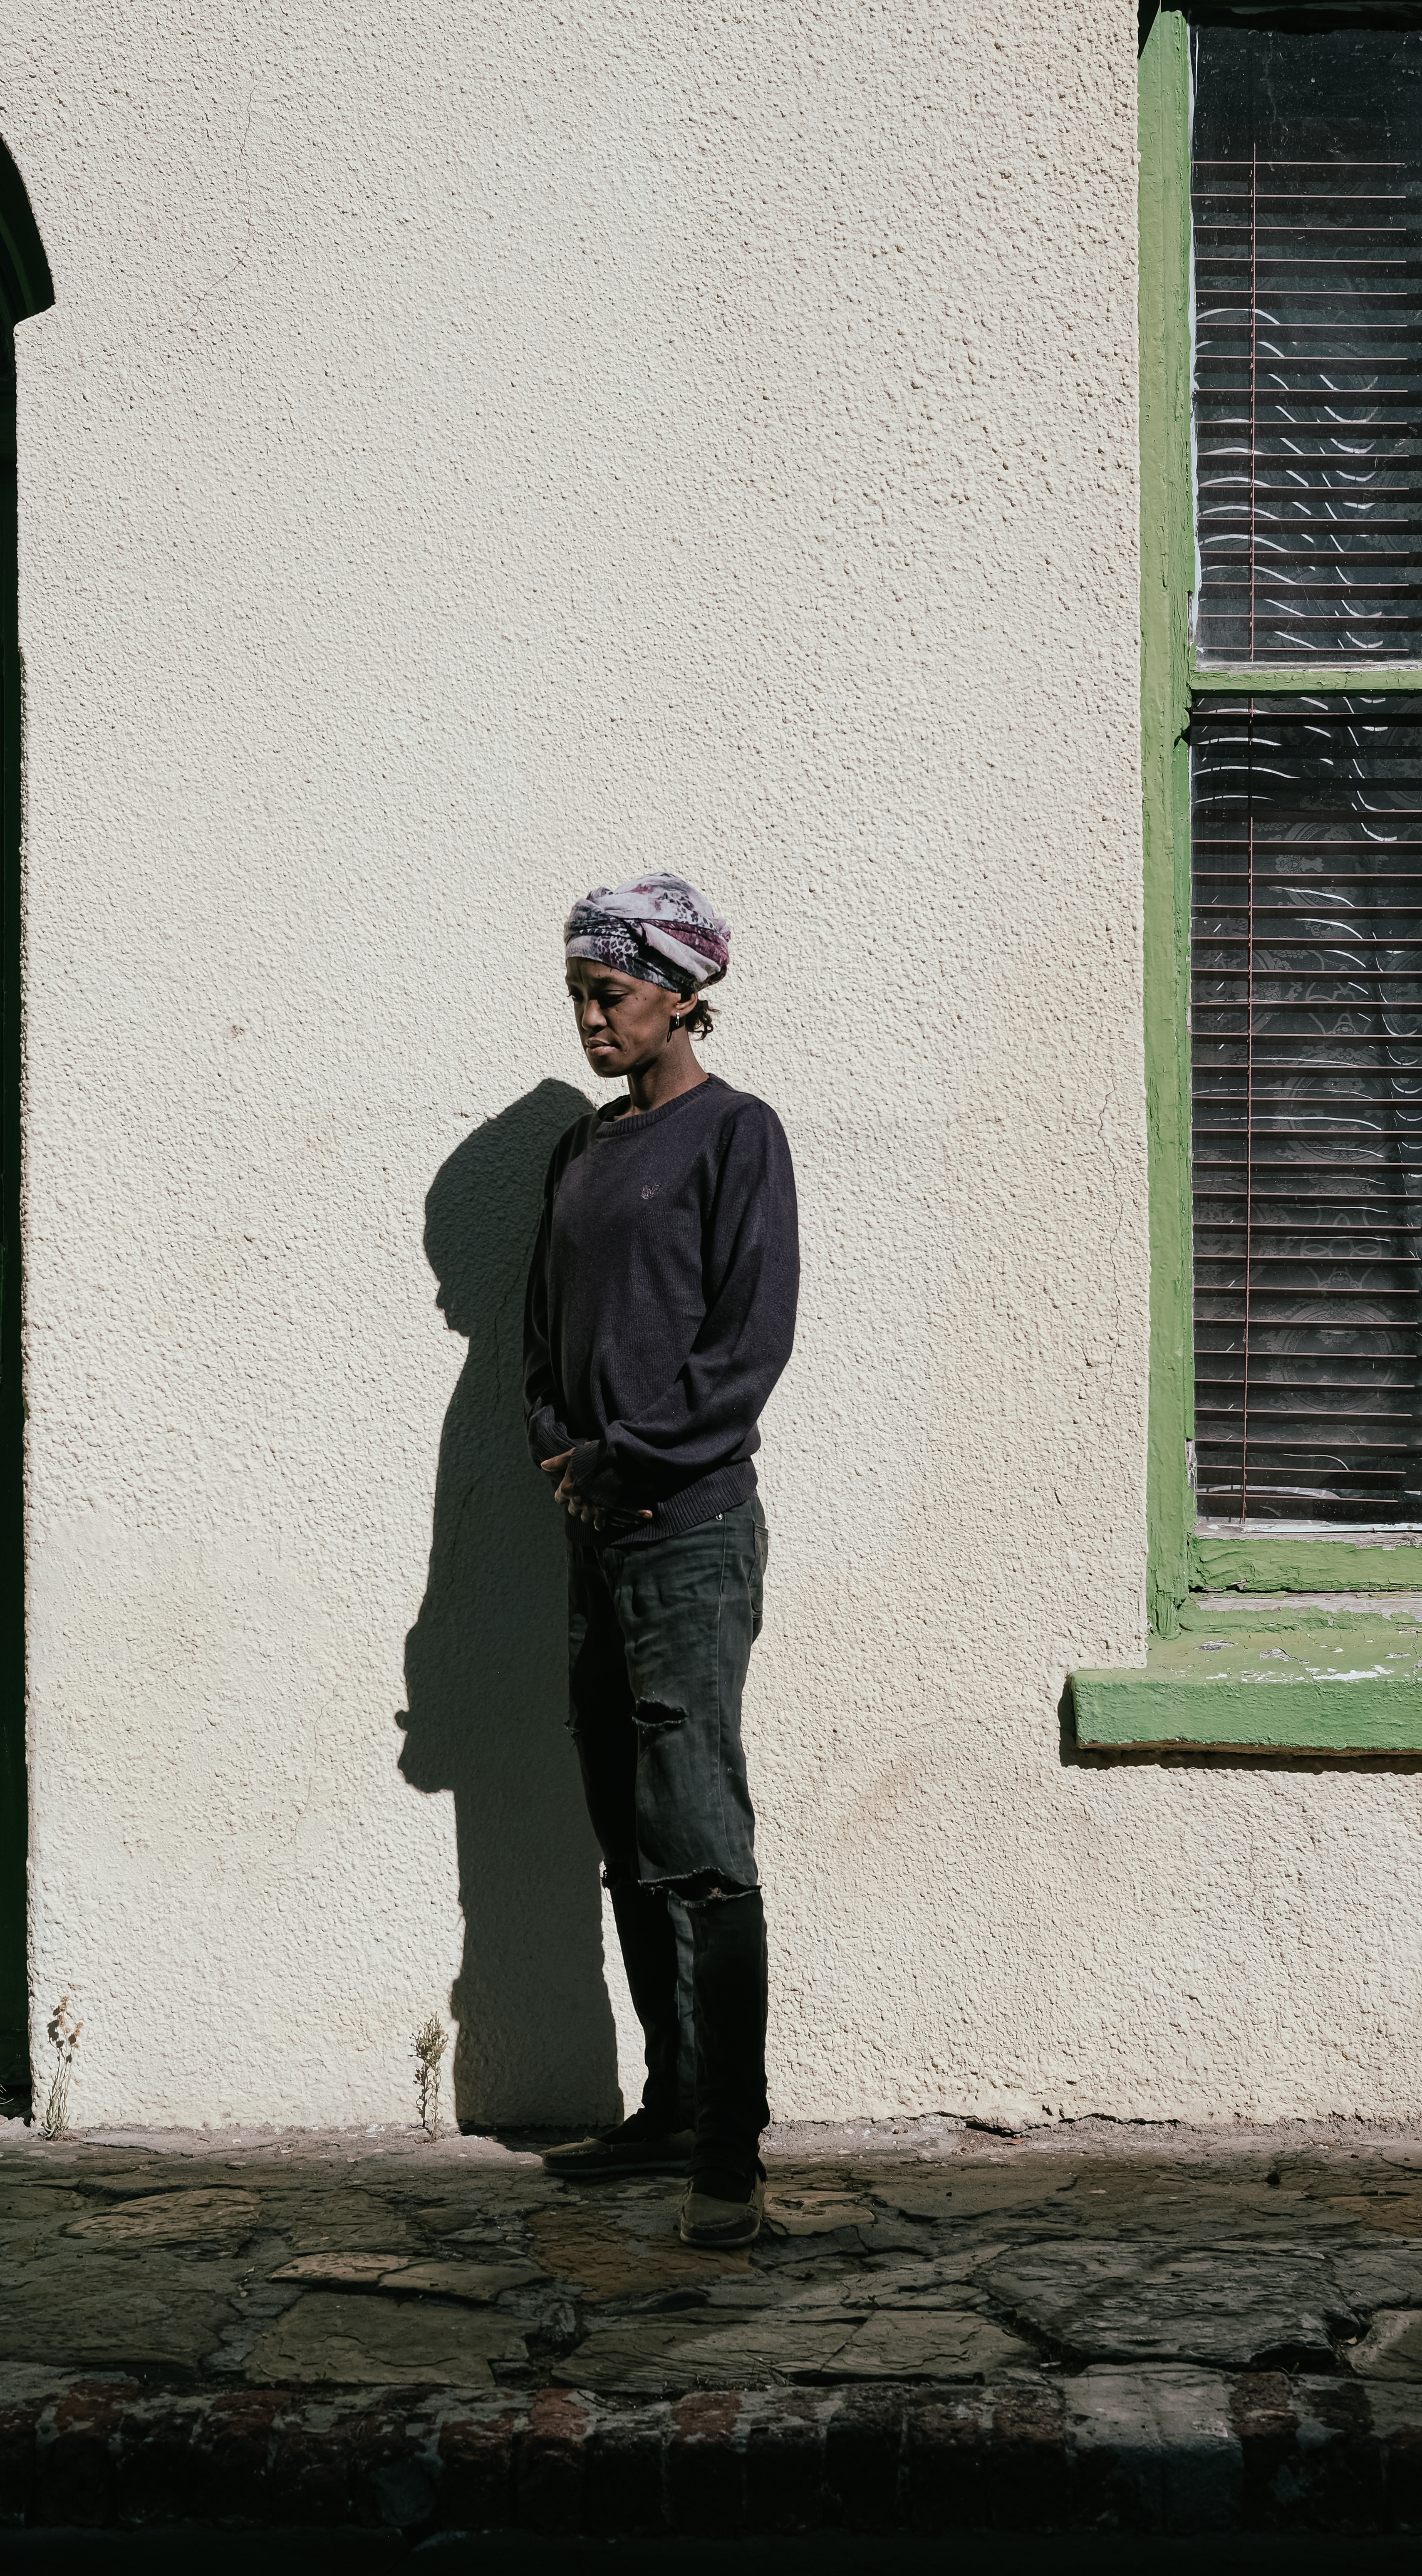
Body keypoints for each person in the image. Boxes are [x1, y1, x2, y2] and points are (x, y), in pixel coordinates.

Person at [523, 873, 799, 2248]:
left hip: (687, 1536)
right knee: (625, 1837)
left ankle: (732, 2156)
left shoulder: (735, 1137)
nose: (590, 1019)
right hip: (597, 1537)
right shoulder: (580, 1153)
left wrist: (629, 1459)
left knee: (698, 1839)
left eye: (612, 995)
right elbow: (538, 1342)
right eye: (578, 994)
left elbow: (746, 1350)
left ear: (683, 994)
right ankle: (671, 2104)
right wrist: (562, 1452)